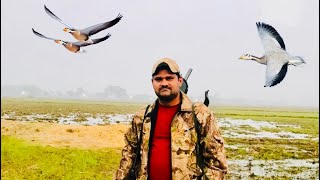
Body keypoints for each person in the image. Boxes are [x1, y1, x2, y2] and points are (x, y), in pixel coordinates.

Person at [115, 58, 228, 180]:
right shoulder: (142, 116)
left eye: (169, 78)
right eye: (159, 79)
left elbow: (216, 161)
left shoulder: (200, 114)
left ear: (180, 81)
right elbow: (129, 155)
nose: (164, 83)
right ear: (152, 82)